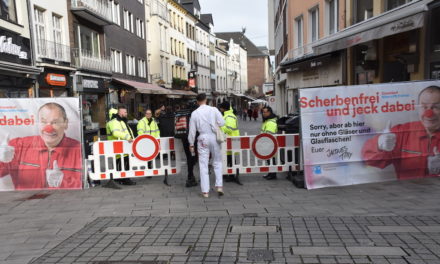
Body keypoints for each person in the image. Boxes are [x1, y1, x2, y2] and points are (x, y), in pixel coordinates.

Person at [362, 85, 440, 179]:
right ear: (418, 108)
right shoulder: (402, 132)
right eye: (424, 107)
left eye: (436, 107)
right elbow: (368, 159)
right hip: (407, 192)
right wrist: (378, 144)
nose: (429, 114)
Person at [0, 102, 82, 190]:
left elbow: (89, 184)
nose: (49, 129)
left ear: (65, 123)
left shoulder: (79, 150)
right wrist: (1, 160)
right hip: (27, 202)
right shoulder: (17, 146)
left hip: (63, 202)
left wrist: (63, 181)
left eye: (55, 122)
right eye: (43, 122)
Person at [188, 93, 225, 198]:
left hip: (202, 138)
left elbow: (192, 131)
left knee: (203, 164)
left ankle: (205, 191)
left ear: (197, 101)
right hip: (214, 137)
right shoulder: (214, 110)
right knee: (217, 161)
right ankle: (219, 186)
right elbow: (222, 123)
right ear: (206, 100)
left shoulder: (195, 113)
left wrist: (191, 143)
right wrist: (215, 124)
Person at [107, 105, 136, 185]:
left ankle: (121, 179)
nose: (127, 113)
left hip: (123, 148)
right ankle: (125, 179)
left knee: (123, 164)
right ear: (120, 112)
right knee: (123, 165)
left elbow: (126, 131)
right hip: (118, 148)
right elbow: (115, 133)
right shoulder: (114, 122)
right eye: (125, 112)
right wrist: (127, 137)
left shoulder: (121, 121)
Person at [175, 103, 198, 187]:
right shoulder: (193, 116)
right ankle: (190, 178)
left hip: (184, 138)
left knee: (189, 157)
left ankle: (190, 177)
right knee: (192, 158)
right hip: (191, 140)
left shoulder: (184, 115)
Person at [219, 101, 240, 182]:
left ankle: (231, 175)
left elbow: (229, 128)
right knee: (228, 158)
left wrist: (220, 127)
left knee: (230, 159)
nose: (220, 109)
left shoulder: (229, 116)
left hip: (232, 140)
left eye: (221, 107)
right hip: (230, 140)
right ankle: (228, 173)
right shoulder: (227, 115)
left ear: (223, 108)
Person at [261, 106, 278, 180]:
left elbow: (269, 135)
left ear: (269, 112)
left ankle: (273, 174)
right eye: (263, 112)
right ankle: (270, 173)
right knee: (269, 159)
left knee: (271, 159)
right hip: (267, 143)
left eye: (265, 112)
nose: (263, 113)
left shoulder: (270, 122)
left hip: (269, 143)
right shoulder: (267, 120)